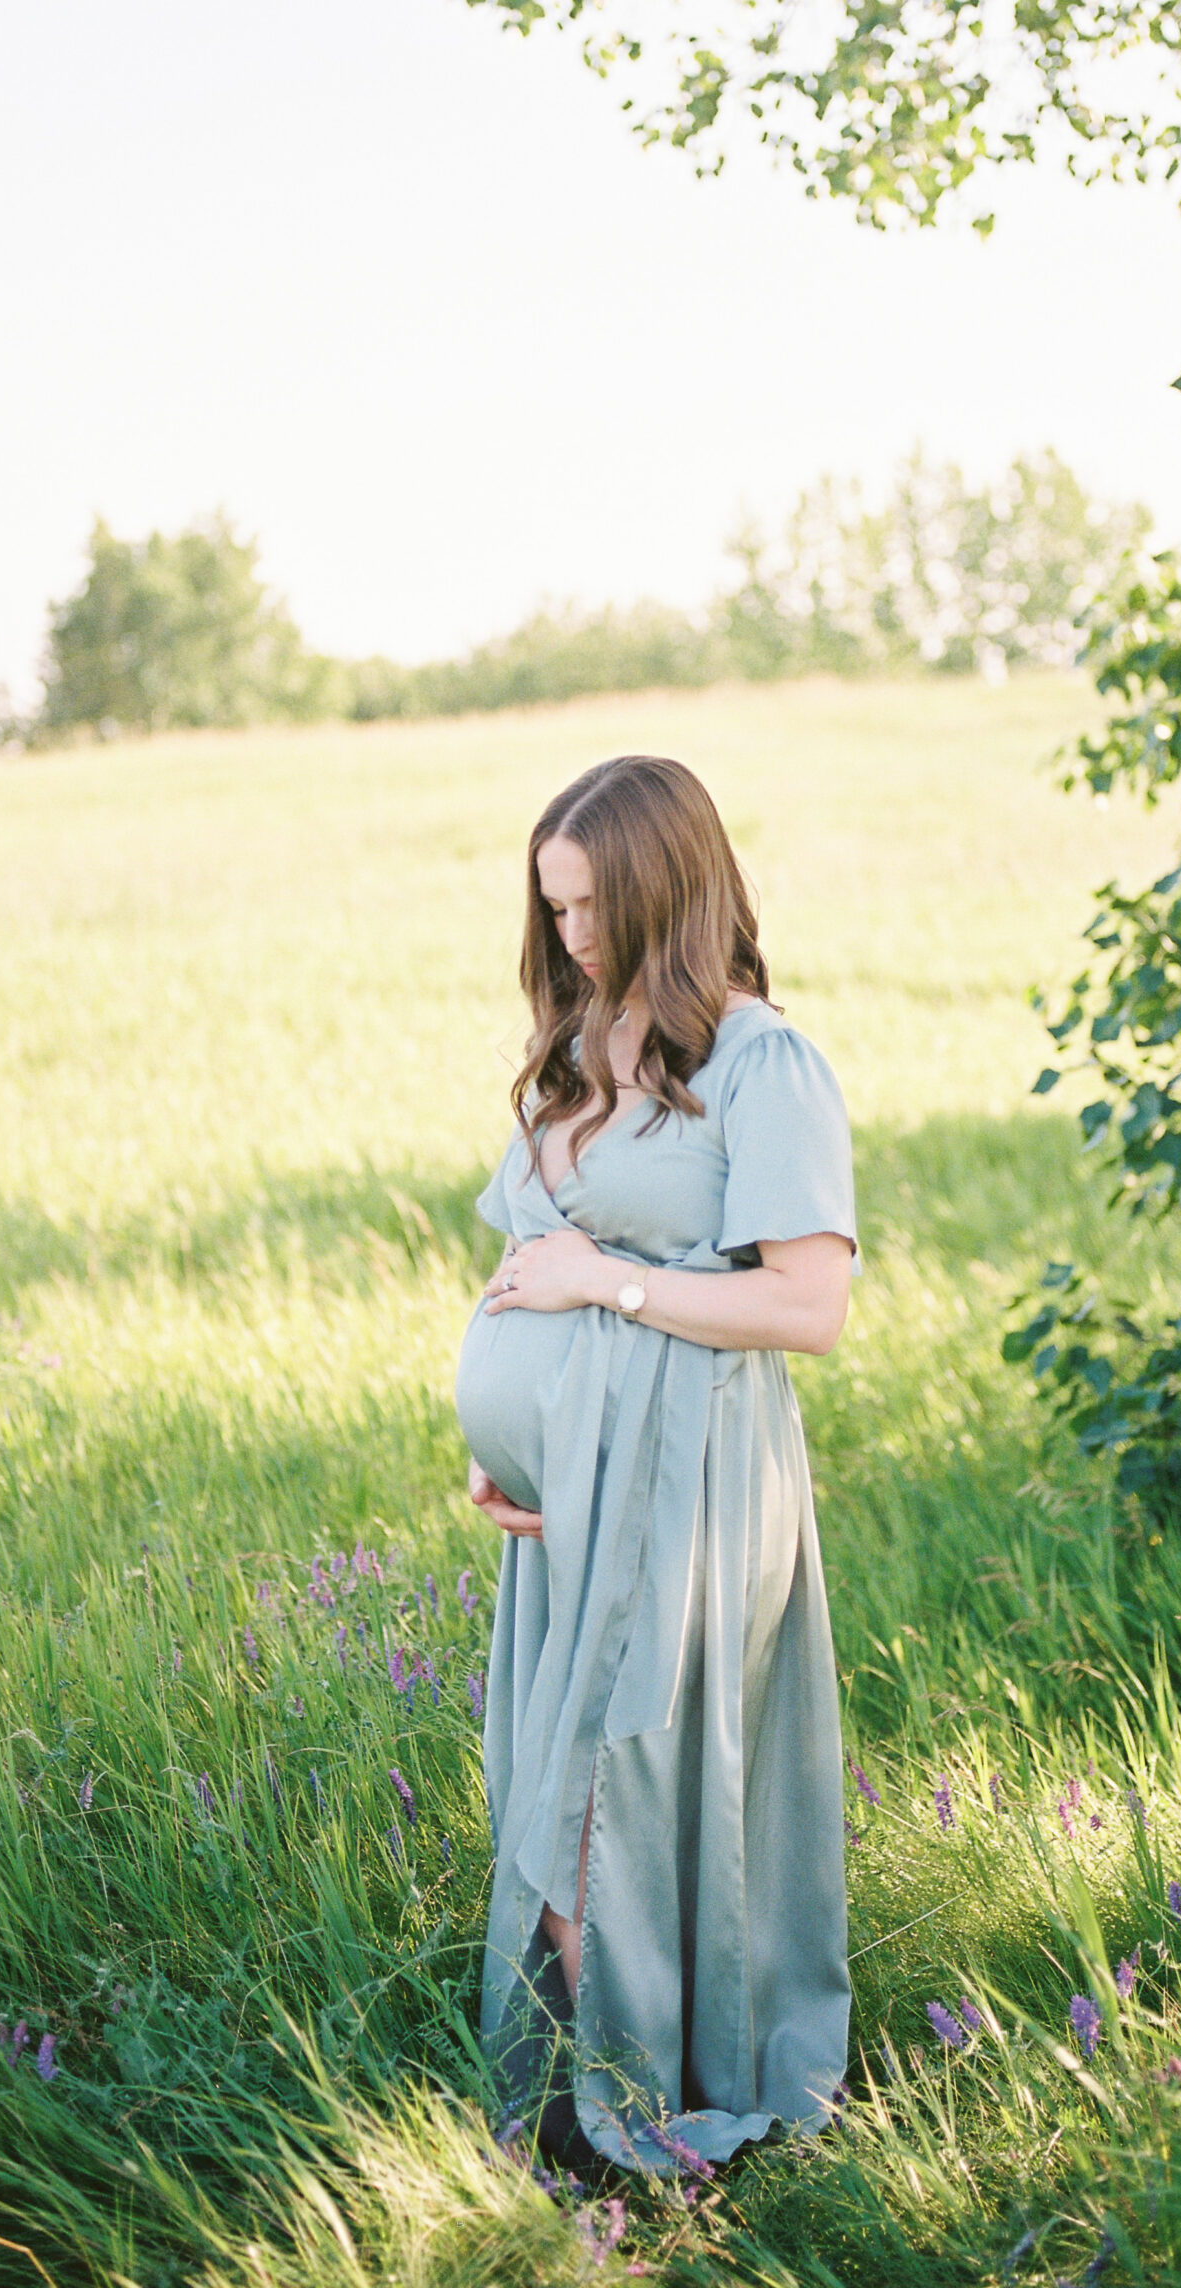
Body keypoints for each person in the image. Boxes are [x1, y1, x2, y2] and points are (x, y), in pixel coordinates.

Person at [456, 752, 857, 2174]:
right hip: (566, 1506)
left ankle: (613, 2121)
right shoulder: (577, 1050)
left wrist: (605, 1293)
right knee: (551, 1790)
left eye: (590, 906)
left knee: (602, 1793)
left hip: (687, 1488)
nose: (567, 936)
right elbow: (533, 1270)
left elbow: (805, 1307)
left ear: (663, 890)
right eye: (550, 907)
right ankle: (591, 2100)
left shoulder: (762, 1063)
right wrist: (507, 1446)